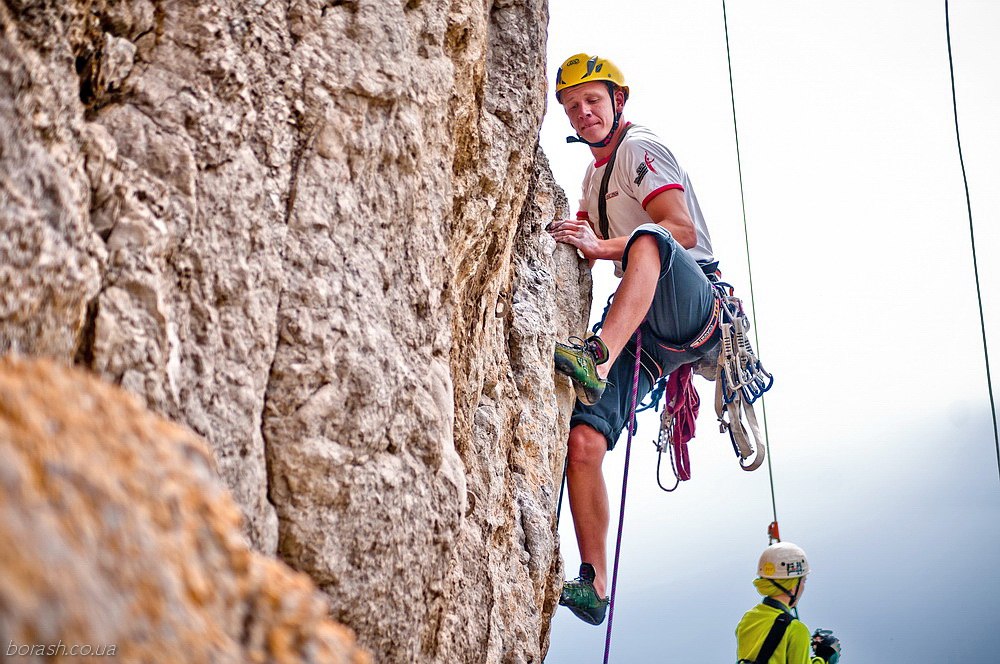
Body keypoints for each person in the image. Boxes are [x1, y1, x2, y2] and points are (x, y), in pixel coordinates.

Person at [547, 52, 723, 625]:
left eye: (592, 100)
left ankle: (596, 357)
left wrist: (599, 247)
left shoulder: (639, 150)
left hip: (691, 299)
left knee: (650, 237)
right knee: (583, 443)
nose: (583, 113)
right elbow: (589, 229)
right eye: (573, 106)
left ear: (617, 101)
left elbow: (680, 229)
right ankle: (595, 584)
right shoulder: (595, 176)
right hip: (648, 325)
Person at [735, 542, 842, 664]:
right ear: (793, 585)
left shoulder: (748, 619)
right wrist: (825, 658)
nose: (803, 587)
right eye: (803, 581)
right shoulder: (796, 629)